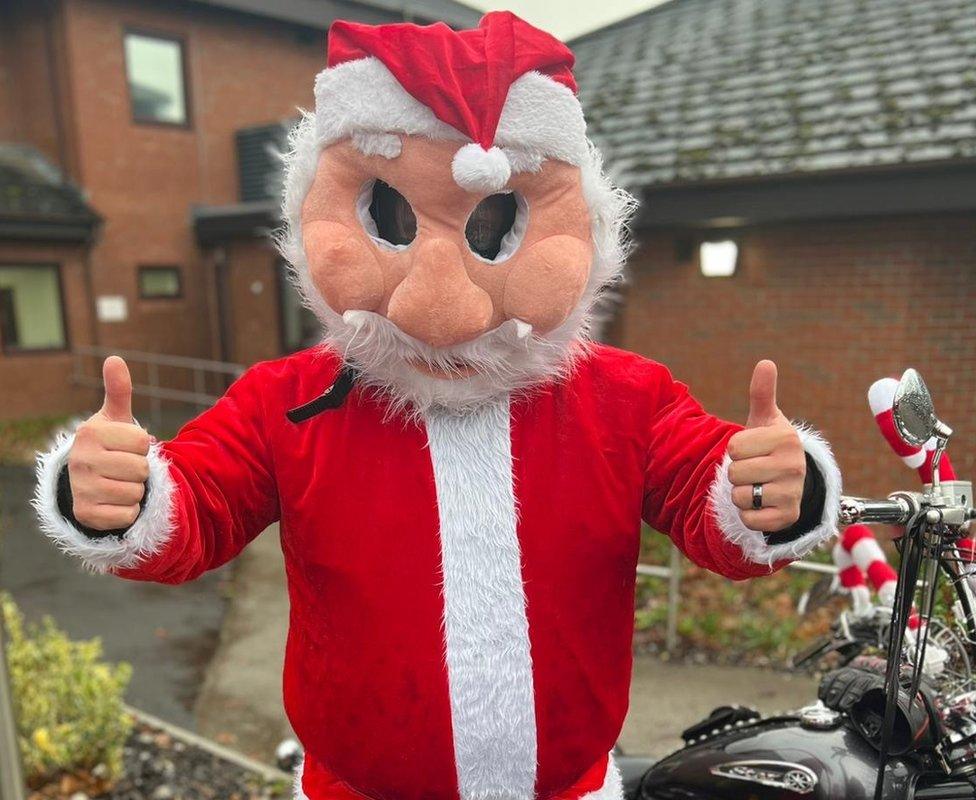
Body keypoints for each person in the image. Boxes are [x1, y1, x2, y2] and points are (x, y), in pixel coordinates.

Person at [34, 12, 841, 800]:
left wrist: (767, 490)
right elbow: (195, 511)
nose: (438, 307)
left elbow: (715, 507)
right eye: (386, 218)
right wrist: (117, 496)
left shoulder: (626, 398)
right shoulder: (290, 401)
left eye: (496, 228)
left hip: (568, 786)